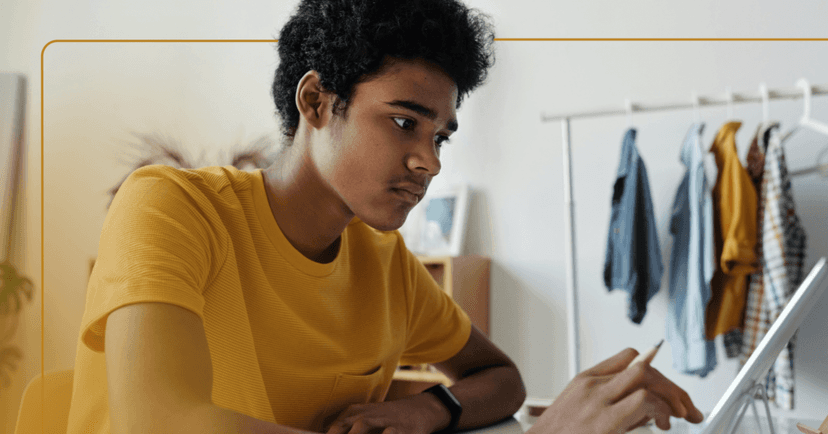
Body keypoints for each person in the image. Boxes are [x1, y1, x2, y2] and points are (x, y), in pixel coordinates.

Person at [65, 0, 704, 433]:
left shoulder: (383, 261)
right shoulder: (173, 208)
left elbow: (498, 378)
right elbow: (162, 422)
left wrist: (426, 410)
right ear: (316, 101)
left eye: (440, 136)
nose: (429, 162)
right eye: (404, 123)